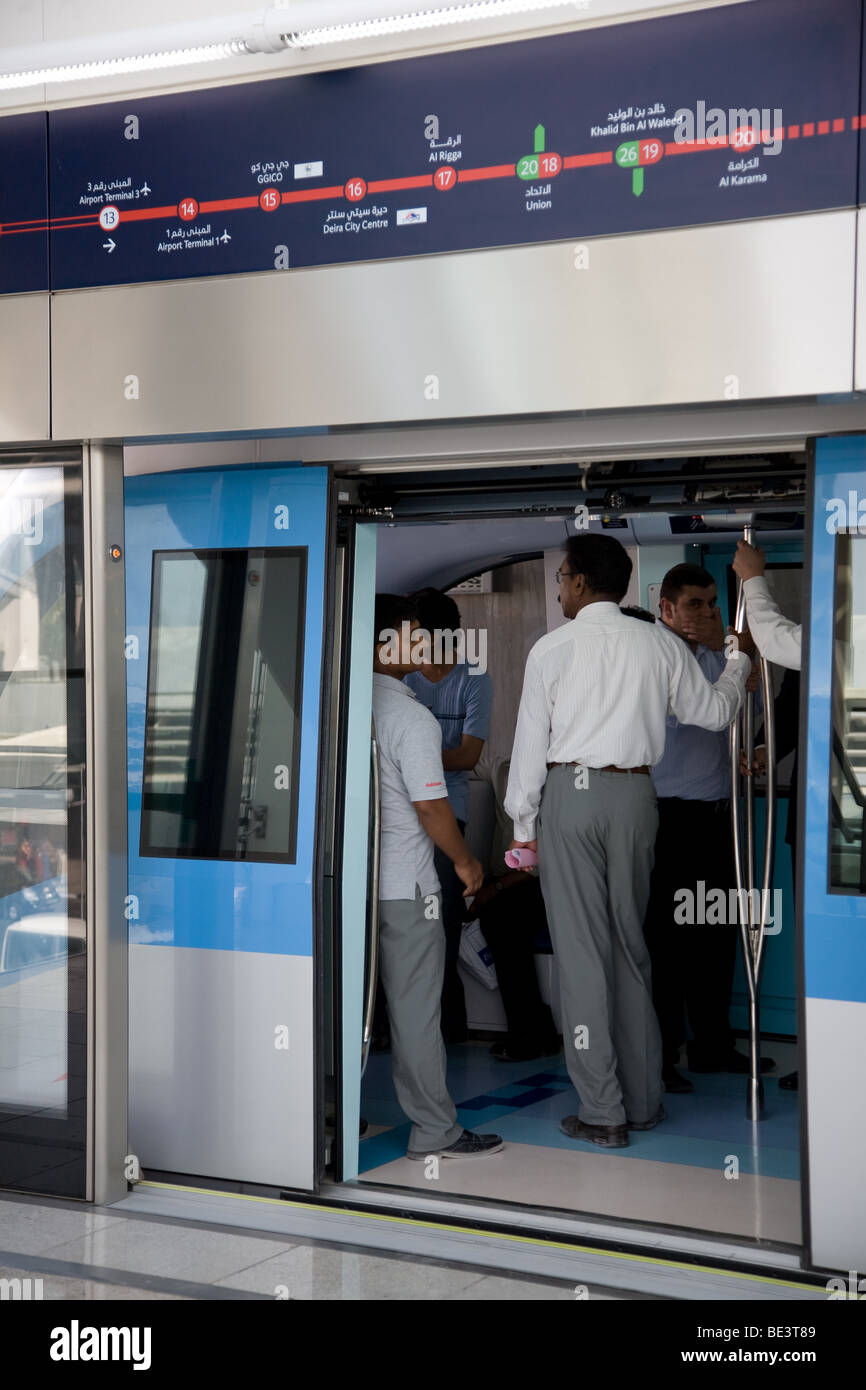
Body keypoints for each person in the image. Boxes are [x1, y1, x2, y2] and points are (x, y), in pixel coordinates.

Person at [504, 535, 752, 1149]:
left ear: (582, 582)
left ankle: (602, 1111)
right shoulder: (661, 645)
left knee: (582, 956)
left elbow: (531, 747)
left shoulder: (551, 649)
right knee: (632, 949)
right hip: (639, 799)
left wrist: (522, 829)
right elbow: (717, 715)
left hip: (572, 795)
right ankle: (644, 1103)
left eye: (561, 576)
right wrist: (740, 663)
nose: (559, 586)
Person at [372, 593, 503, 1160]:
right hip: (408, 886)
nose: (422, 645)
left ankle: (332, 1115)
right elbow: (431, 807)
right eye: (412, 635)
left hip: (356, 887)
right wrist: (467, 860)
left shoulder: (343, 705)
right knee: (417, 1009)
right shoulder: (410, 717)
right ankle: (434, 1130)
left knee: (349, 1008)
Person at [642, 564, 775, 1094]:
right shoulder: (652, 658)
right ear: (666, 609)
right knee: (666, 943)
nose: (707, 613)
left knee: (717, 933)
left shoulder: (730, 658)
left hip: (719, 815)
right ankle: (661, 1054)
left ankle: (713, 1045)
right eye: (694, 604)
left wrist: (758, 748)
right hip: (666, 816)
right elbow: (695, 716)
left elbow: (760, 713)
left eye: (713, 603)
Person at [404, 587, 493, 1043]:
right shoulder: (400, 680)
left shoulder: (474, 679)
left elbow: (468, 758)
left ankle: (447, 1025)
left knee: (443, 919)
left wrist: (415, 755)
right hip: (400, 813)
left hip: (447, 808)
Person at [733, 538, 803, 1092]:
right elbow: (792, 710)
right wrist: (762, 748)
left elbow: (778, 641)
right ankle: (825, 1050)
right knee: (819, 939)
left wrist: (753, 580)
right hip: (827, 822)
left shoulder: (844, 634)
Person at [470, 755, 559, 1062]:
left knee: (503, 921)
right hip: (512, 877)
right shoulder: (506, 770)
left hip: (539, 881)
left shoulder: (552, 780)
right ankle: (536, 1025)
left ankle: (529, 1032)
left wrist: (495, 888)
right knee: (493, 916)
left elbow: (538, 861)